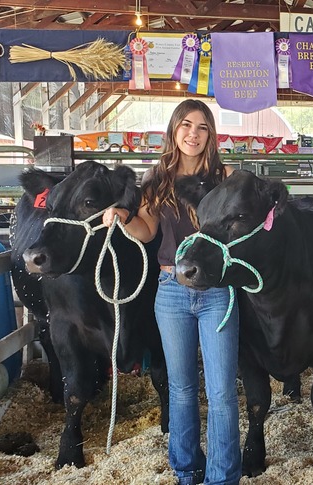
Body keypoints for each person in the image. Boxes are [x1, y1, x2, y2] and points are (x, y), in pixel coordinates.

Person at [102, 99, 240, 485]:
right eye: (186, 125)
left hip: (217, 290)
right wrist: (123, 218)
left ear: (211, 134)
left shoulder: (226, 176)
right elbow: (147, 229)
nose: (193, 134)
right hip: (171, 289)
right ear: (174, 130)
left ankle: (222, 477)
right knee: (180, 388)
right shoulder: (157, 178)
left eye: (201, 127)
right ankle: (186, 471)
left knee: (222, 391)